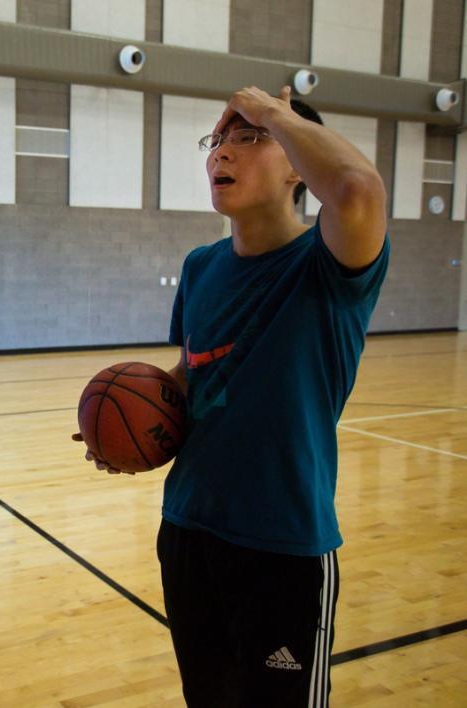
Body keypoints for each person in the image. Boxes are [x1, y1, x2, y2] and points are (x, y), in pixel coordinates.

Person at [77, 85, 389, 707]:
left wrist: (276, 110)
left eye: (250, 139)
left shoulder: (328, 262)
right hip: (189, 531)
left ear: (299, 168)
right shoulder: (201, 266)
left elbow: (357, 187)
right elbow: (192, 375)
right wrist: (129, 428)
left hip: (283, 546)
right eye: (219, 140)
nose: (224, 152)